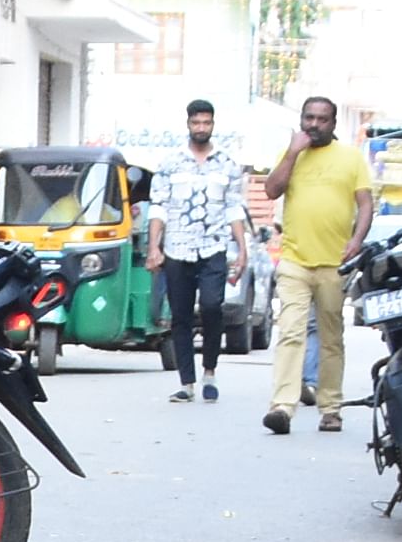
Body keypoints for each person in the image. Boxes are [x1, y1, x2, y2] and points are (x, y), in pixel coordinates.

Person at [257, 92, 374, 435]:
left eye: (322, 119)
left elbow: (365, 204)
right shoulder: (292, 154)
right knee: (290, 333)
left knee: (330, 338)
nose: (314, 125)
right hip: (294, 260)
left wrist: (356, 241)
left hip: (334, 264)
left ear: (333, 123)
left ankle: (331, 407)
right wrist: (293, 151)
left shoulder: (351, 159)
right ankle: (282, 406)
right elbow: (271, 190)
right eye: (309, 118)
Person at [141, 100, 244, 405]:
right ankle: (187, 382)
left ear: (213, 125)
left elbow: (233, 208)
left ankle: (210, 371)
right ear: (188, 124)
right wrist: (153, 247)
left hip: (213, 247)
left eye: (206, 123)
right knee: (180, 315)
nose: (201, 128)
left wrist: (242, 251)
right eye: (196, 123)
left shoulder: (226, 163)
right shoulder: (171, 162)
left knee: (212, 307)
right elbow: (158, 207)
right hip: (177, 248)